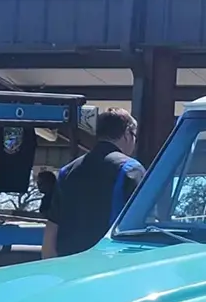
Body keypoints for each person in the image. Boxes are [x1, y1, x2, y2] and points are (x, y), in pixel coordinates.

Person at [41, 108, 144, 258]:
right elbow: (142, 225)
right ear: (127, 134)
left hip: (69, 264)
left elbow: (52, 226)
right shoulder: (131, 169)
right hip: (110, 263)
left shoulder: (67, 171)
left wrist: (49, 263)